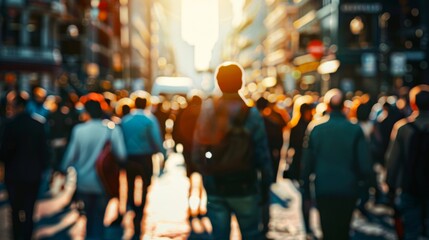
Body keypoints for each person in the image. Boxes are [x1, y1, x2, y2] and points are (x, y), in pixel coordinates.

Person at [192, 62, 273, 240]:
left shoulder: (208, 111)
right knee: (251, 234)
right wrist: (266, 183)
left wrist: (207, 171)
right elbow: (262, 153)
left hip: (216, 183)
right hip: (245, 184)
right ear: (241, 82)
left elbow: (197, 150)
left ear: (219, 83)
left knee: (220, 235)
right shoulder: (251, 114)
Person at [300, 88, 373, 239]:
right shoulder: (354, 129)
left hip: (323, 188)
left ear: (327, 106)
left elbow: (307, 164)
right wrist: (365, 189)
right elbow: (365, 164)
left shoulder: (316, 129)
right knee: (343, 230)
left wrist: (305, 190)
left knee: (327, 229)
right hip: (348, 187)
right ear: (344, 107)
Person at [60, 94, 127, 240]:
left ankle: (90, 236)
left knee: (88, 216)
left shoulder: (79, 130)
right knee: (99, 217)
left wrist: (62, 171)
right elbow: (121, 155)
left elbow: (70, 156)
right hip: (103, 181)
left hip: (83, 181)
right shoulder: (112, 129)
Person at [0, 91, 49, 240]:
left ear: (16, 106)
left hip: (14, 175)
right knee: (29, 210)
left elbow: (3, 152)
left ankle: (17, 235)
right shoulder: (38, 124)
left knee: (15, 210)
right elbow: (44, 151)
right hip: (33, 174)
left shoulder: (10, 125)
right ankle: (27, 236)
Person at [120, 92, 166, 240]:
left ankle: (133, 207)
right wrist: (162, 154)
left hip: (130, 157)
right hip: (145, 157)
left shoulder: (125, 120)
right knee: (146, 183)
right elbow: (156, 139)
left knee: (130, 183)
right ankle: (141, 209)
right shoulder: (149, 119)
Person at [386, 84, 429, 239]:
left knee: (411, 230)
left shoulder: (403, 128)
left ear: (412, 104)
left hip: (409, 185)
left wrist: (390, 186)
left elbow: (393, 160)